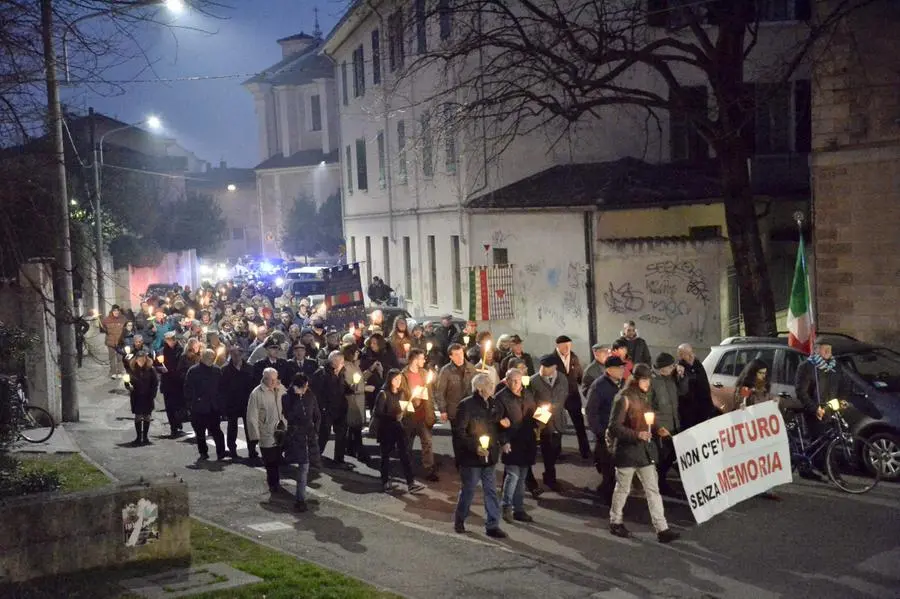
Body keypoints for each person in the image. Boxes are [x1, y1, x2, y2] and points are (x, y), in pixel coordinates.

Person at [607, 363, 679, 543]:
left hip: (645, 452)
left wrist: (657, 429)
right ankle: (615, 522)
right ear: (636, 380)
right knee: (623, 488)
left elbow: (649, 419)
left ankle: (662, 528)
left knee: (653, 490)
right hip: (628, 452)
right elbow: (614, 427)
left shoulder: (645, 396)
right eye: (645, 380)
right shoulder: (623, 398)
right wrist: (637, 434)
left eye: (649, 380)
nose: (648, 383)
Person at [453, 373, 508, 538]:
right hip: (471, 459)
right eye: (489, 385)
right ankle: (460, 519)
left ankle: (492, 525)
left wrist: (503, 431)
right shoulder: (466, 405)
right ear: (479, 388)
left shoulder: (493, 404)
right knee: (468, 490)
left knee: (491, 490)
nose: (493, 387)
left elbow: (497, 426)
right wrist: (475, 447)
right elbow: (459, 432)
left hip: (489, 455)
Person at [373, 369, 426, 493]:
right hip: (386, 429)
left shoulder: (402, 393)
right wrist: (393, 416)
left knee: (404, 455)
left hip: (398, 428)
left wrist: (415, 405)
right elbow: (377, 413)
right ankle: (385, 481)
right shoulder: (383, 394)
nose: (398, 382)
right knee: (385, 456)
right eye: (396, 379)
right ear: (390, 380)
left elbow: (407, 409)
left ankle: (410, 483)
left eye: (400, 379)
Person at [497, 369, 537, 524]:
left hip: (527, 441)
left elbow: (533, 414)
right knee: (512, 476)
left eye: (517, 380)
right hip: (512, 441)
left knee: (521, 477)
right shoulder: (501, 398)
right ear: (506, 381)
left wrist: (541, 420)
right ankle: (506, 506)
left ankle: (519, 509)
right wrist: (504, 441)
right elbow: (498, 423)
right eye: (512, 380)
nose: (515, 384)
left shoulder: (527, 395)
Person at [585, 355, 626, 502]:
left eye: (623, 367)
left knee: (616, 466)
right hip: (606, 434)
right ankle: (607, 497)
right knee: (608, 467)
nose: (623, 370)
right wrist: (601, 433)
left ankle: (608, 490)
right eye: (619, 368)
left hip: (618, 432)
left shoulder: (621, 384)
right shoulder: (599, 386)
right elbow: (591, 412)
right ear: (609, 370)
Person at [648, 353, 688, 496]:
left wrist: (682, 378)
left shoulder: (671, 378)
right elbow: (648, 408)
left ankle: (661, 482)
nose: (674, 368)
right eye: (671, 366)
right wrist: (657, 427)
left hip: (674, 424)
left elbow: (683, 392)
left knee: (671, 455)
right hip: (662, 427)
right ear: (663, 367)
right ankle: (659, 485)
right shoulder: (651, 382)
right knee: (662, 458)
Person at [530, 354, 569, 491]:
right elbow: (531, 402)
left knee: (556, 449)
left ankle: (550, 472)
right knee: (547, 450)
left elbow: (564, 394)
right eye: (543, 367)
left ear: (555, 367)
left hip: (558, 418)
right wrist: (541, 415)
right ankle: (550, 477)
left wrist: (556, 406)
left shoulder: (562, 379)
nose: (544, 370)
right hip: (543, 420)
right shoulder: (534, 381)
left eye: (548, 367)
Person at [283, 373, 321, 511]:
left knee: (307, 467)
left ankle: (301, 496)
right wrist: (298, 398)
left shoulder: (310, 396)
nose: (306, 389)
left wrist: (315, 430)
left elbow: (316, 414)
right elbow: (290, 415)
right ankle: (300, 499)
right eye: (304, 387)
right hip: (296, 436)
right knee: (303, 467)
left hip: (309, 435)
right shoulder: (287, 398)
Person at [247, 367, 287, 494]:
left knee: (277, 458)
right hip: (266, 431)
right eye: (271, 380)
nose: (274, 382)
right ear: (264, 379)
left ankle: (276, 482)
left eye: (275, 379)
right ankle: (273, 483)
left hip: (281, 430)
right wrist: (255, 436)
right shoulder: (256, 393)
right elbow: (252, 416)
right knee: (270, 460)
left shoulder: (281, 389)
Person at [401, 348, 439, 481]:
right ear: (415, 360)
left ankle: (429, 469)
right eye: (422, 358)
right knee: (407, 444)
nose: (424, 360)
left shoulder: (424, 373)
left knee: (427, 442)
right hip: (410, 415)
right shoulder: (403, 375)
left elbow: (429, 394)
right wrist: (412, 403)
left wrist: (431, 411)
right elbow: (401, 397)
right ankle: (407, 469)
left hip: (423, 414)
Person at [313, 351, 354, 469]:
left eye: (342, 361)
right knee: (323, 434)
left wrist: (351, 389)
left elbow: (342, 387)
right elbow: (316, 392)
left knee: (341, 434)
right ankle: (315, 457)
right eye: (339, 361)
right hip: (327, 409)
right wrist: (322, 408)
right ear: (332, 361)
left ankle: (339, 460)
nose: (341, 364)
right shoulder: (322, 373)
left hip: (340, 408)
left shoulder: (340, 372)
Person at [183, 349, 226, 461]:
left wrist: (220, 404)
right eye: (207, 357)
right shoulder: (193, 371)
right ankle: (203, 452)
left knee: (216, 431)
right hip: (199, 407)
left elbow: (221, 388)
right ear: (202, 357)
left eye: (212, 357)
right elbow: (188, 389)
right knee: (200, 432)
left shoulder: (217, 370)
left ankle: (221, 453)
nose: (210, 360)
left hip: (213, 407)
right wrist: (191, 403)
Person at [555, 335, 590, 459]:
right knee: (557, 425)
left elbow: (580, 376)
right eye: (564, 346)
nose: (567, 348)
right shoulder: (552, 359)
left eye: (569, 345)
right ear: (558, 346)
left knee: (579, 424)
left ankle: (585, 450)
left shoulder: (574, 357)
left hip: (573, 396)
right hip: (558, 397)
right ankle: (556, 451)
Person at [220, 347, 257, 460]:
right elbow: (222, 389)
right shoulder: (225, 370)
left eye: (238, 354)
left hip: (247, 402)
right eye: (234, 354)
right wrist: (224, 406)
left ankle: (252, 450)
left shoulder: (250, 368)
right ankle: (232, 450)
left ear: (242, 355)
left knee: (249, 428)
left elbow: (254, 385)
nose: (236, 357)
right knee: (232, 427)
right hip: (232, 403)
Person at [342, 343, 374, 464]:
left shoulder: (354, 365)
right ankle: (360, 452)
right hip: (353, 399)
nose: (357, 354)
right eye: (355, 352)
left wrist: (370, 370)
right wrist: (365, 389)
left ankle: (350, 448)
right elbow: (351, 386)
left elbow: (360, 380)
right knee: (355, 427)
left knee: (354, 428)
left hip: (359, 399)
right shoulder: (346, 367)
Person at [676, 343, 716, 429]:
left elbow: (704, 385)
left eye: (691, 352)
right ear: (680, 356)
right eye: (687, 354)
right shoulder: (680, 369)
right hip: (690, 414)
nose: (691, 356)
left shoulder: (698, 365)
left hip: (705, 408)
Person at [124, 351, 159, 446]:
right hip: (137, 395)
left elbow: (155, 383)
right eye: (139, 359)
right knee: (138, 416)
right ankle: (139, 437)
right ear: (136, 360)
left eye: (143, 359)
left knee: (147, 416)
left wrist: (152, 395)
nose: (141, 361)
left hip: (148, 396)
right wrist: (128, 386)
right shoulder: (132, 370)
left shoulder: (151, 369)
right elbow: (127, 382)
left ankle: (146, 437)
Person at [158, 331, 186, 438]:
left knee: (179, 405)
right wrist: (161, 369)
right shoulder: (162, 351)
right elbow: (157, 364)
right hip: (168, 382)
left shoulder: (181, 350)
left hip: (178, 382)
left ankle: (178, 424)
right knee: (170, 407)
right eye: (168, 340)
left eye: (171, 339)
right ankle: (173, 428)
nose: (170, 342)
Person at [101, 304, 128, 379]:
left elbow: (127, 328)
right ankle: (113, 372)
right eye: (114, 310)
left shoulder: (123, 319)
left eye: (117, 310)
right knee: (112, 358)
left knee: (120, 358)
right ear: (112, 311)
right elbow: (103, 328)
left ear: (119, 311)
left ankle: (120, 371)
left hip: (120, 342)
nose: (116, 312)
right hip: (111, 342)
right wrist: (103, 328)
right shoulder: (107, 319)